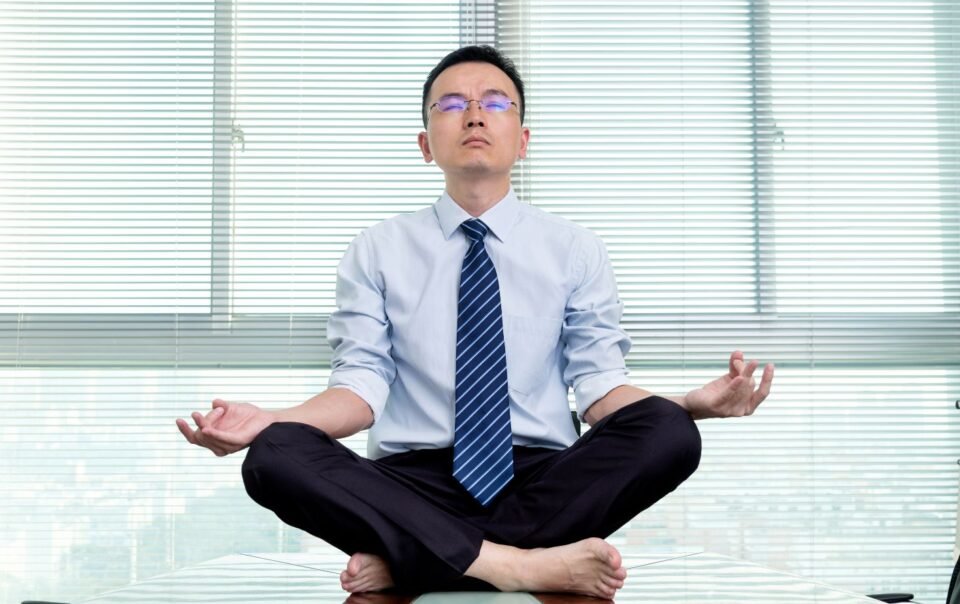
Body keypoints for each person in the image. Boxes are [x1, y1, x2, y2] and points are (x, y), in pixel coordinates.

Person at [176, 45, 775, 600]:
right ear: (424, 142)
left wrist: (690, 403)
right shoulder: (376, 250)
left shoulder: (575, 250)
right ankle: (518, 564)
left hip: (542, 478)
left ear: (524, 139)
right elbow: (358, 391)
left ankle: (419, 555)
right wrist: (269, 420)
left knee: (668, 431)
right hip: (411, 482)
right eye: (452, 104)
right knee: (275, 454)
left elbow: (598, 389)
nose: (474, 116)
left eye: (495, 103)